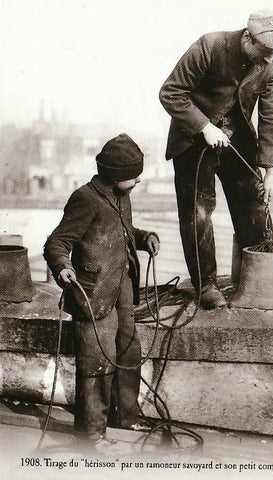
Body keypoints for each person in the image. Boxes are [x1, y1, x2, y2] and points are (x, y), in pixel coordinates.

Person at [159, 9, 273, 309]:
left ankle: (254, 278)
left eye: (272, 55)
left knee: (253, 203)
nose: (267, 61)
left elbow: (271, 112)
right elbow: (170, 93)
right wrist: (204, 126)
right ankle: (205, 284)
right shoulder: (209, 46)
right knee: (199, 213)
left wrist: (269, 165)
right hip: (193, 141)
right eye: (263, 54)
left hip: (239, 142)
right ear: (248, 38)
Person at [43, 133, 160, 450]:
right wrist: (61, 266)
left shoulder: (122, 195)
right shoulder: (86, 198)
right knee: (96, 362)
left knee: (127, 350)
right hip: (92, 294)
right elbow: (58, 242)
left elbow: (120, 232)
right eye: (133, 175)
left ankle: (125, 416)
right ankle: (90, 434)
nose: (137, 180)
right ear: (115, 174)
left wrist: (143, 236)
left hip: (121, 288)